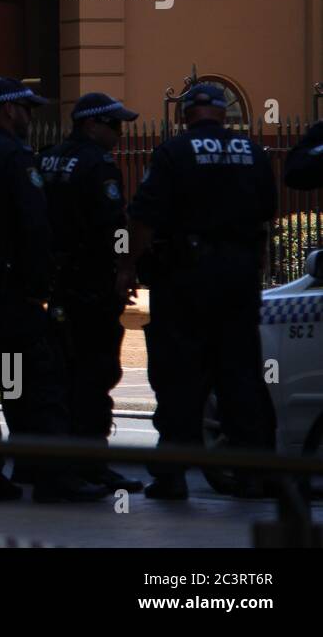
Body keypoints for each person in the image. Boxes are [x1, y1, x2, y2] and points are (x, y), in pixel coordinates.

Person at [117, 83, 278, 499]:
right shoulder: (254, 153)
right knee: (241, 374)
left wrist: (127, 266)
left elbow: (144, 217)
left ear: (185, 114)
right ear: (225, 114)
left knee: (179, 376)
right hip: (238, 278)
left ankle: (172, 476)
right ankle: (253, 473)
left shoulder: (173, 153)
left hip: (186, 278)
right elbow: (266, 216)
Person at [0, 76, 108, 503]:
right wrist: (40, 282)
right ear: (7, 110)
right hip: (9, 294)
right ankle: (50, 475)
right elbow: (34, 223)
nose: (28, 116)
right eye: (25, 108)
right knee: (39, 383)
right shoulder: (13, 155)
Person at [38, 93, 144, 492]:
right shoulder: (98, 166)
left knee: (60, 375)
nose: (119, 134)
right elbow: (113, 225)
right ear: (90, 124)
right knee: (95, 373)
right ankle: (90, 464)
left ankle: (58, 464)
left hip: (56, 283)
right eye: (113, 125)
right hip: (91, 284)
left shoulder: (45, 158)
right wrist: (124, 267)